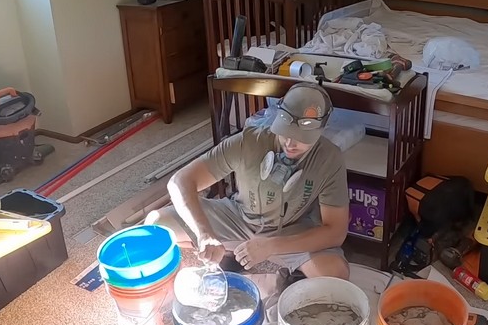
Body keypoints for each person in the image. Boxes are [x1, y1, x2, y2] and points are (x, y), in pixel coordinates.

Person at [146, 83, 350, 279]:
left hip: (291, 229)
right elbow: (180, 181)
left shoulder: (329, 159)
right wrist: (204, 233)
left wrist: (272, 246)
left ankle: (245, 253)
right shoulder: (248, 142)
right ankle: (229, 248)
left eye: (301, 138)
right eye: (285, 133)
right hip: (239, 217)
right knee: (156, 226)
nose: (290, 143)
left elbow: (336, 231)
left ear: (321, 130)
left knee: (335, 274)